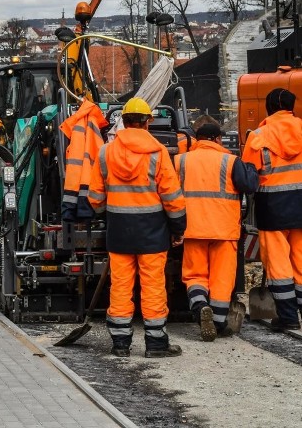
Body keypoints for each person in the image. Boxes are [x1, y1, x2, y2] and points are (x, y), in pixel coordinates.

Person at [88, 97, 187, 358]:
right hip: (152, 230)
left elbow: (95, 197)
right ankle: (156, 344)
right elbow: (172, 196)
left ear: (123, 121)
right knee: (153, 284)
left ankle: (120, 344)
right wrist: (178, 227)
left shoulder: (106, 152)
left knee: (120, 285)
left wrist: (104, 214)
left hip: (119, 230)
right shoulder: (158, 153)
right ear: (147, 122)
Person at [174, 120, 259, 340]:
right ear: (219, 139)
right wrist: (249, 164)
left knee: (194, 275)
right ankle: (219, 323)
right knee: (222, 279)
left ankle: (200, 305)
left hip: (192, 229)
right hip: (224, 230)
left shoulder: (180, 160)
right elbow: (250, 185)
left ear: (197, 139)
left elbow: (169, 191)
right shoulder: (231, 161)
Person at [242, 88, 302, 331]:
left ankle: (288, 317)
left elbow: (247, 178)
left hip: (273, 208)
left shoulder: (257, 137)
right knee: (300, 260)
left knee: (278, 265)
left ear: (268, 108)